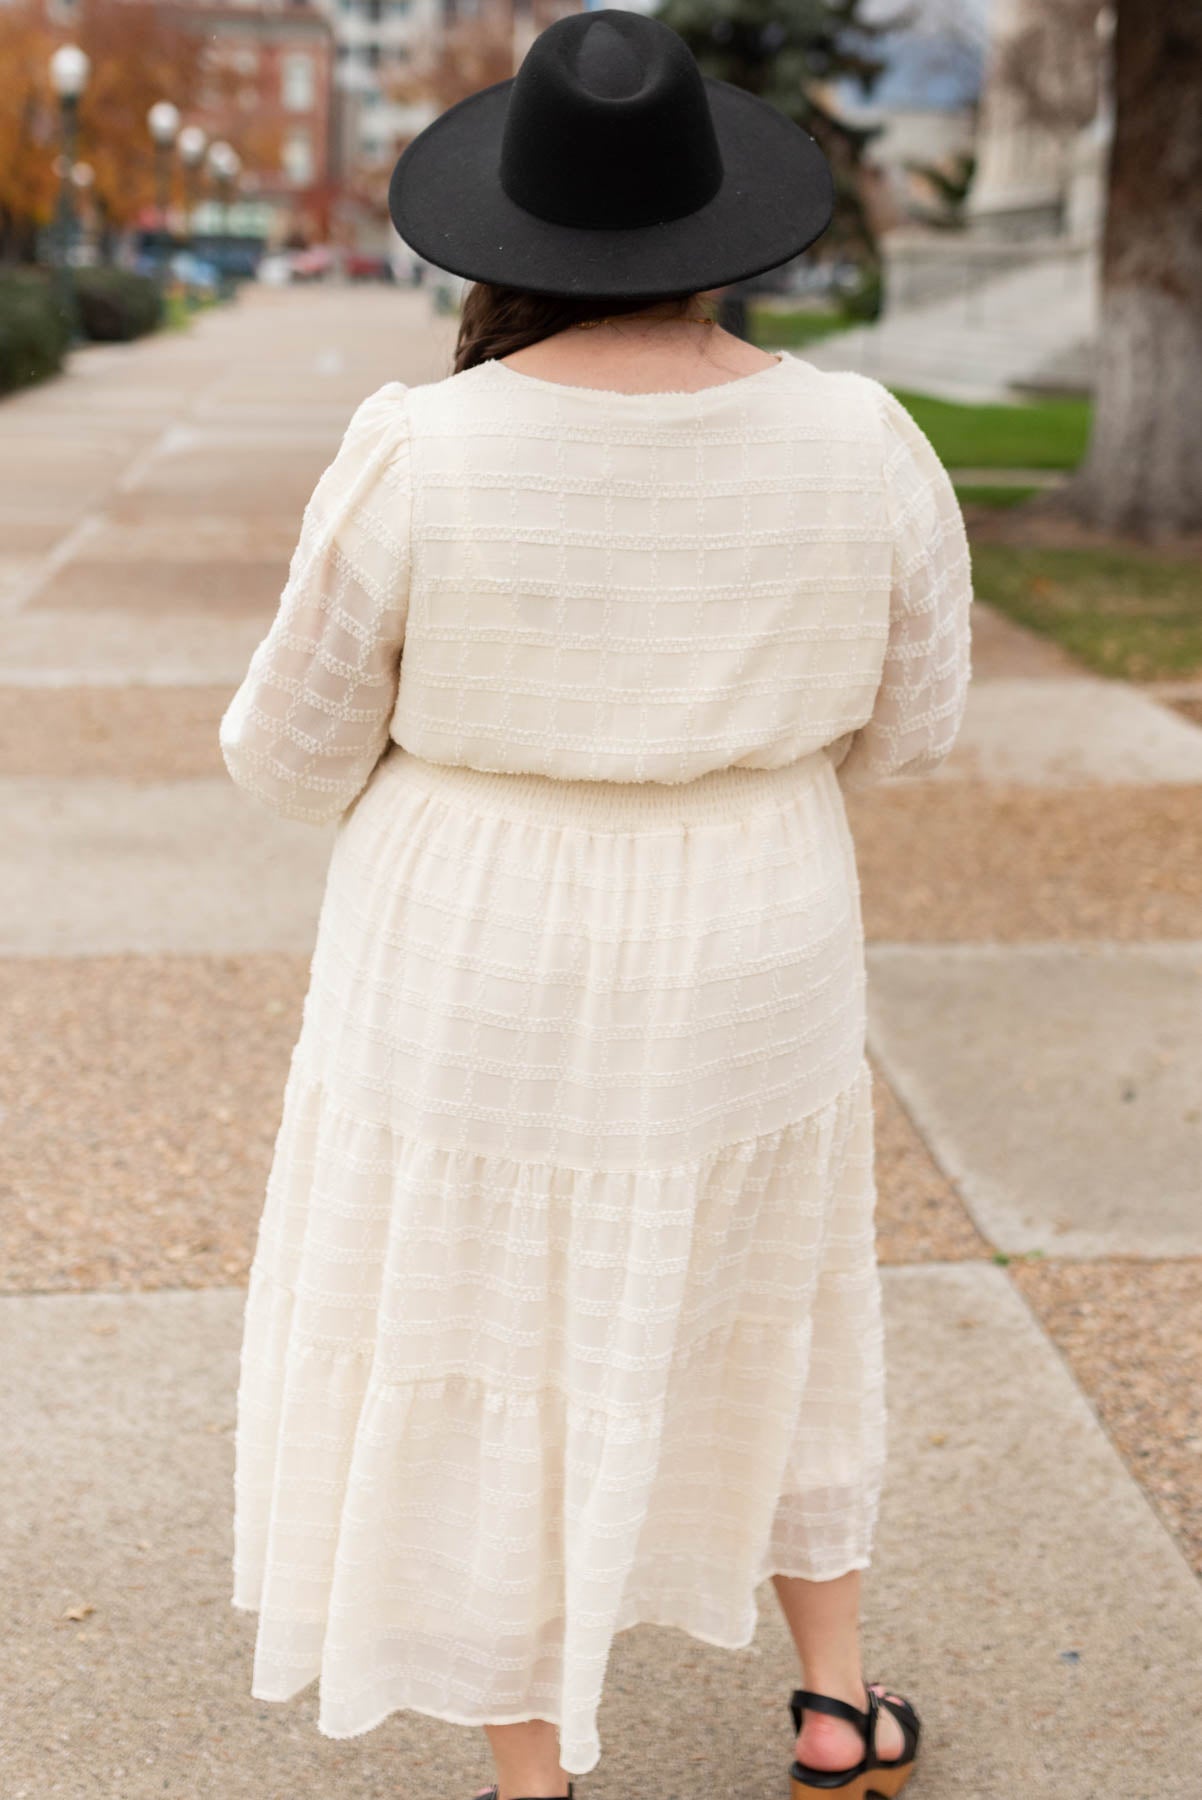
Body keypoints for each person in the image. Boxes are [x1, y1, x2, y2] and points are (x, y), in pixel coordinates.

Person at [218, 10, 972, 1800]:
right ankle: (830, 1700)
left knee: (484, 1313)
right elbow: (916, 724)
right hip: (753, 916)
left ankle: (532, 1771)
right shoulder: (860, 437)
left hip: (471, 924)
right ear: (723, 227)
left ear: (513, 228)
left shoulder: (423, 444)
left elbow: (289, 747)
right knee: (771, 1293)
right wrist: (734, 771)